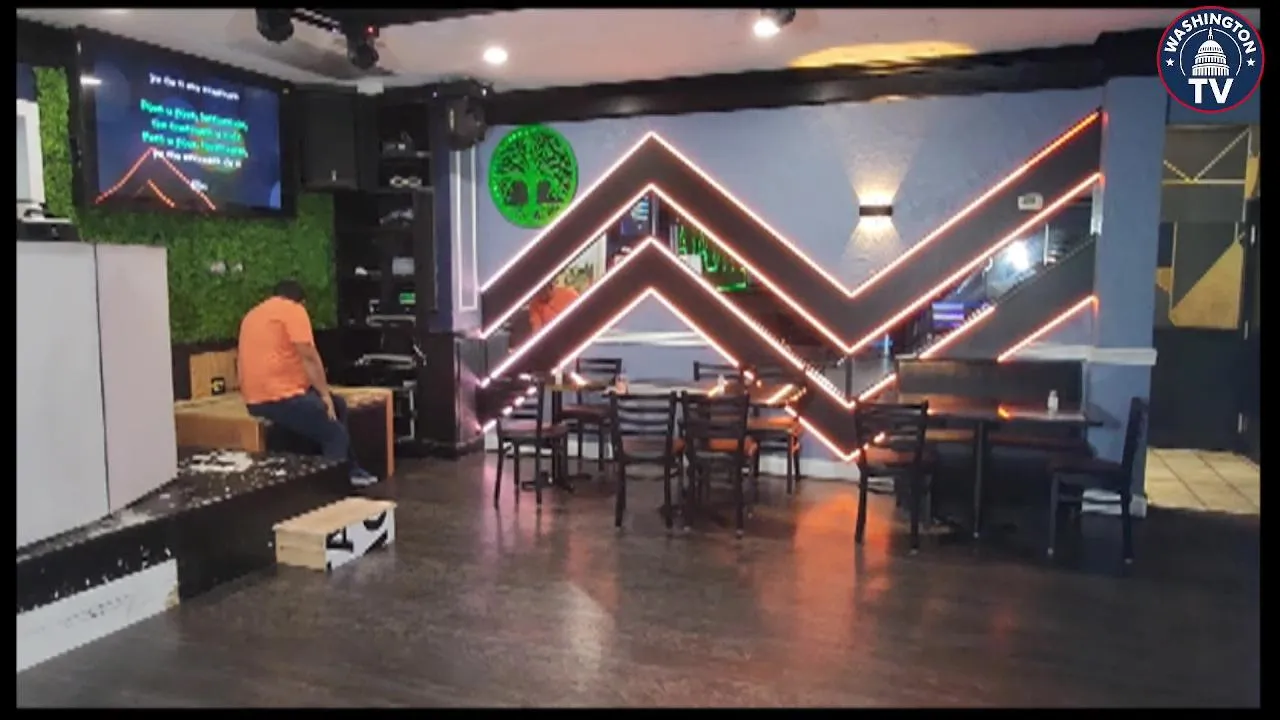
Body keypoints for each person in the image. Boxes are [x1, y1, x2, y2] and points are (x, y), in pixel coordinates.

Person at [237, 280, 376, 487]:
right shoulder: (293, 311)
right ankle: (331, 488)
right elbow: (309, 357)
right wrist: (324, 394)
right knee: (334, 434)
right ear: (301, 301)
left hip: (254, 398)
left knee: (338, 405)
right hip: (279, 397)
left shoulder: (253, 315)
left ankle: (352, 470)